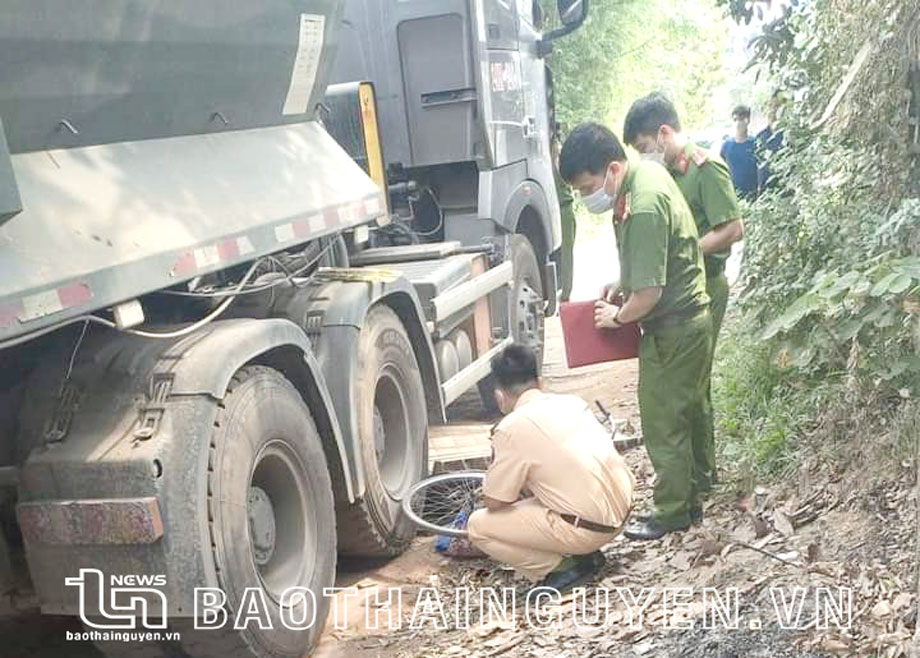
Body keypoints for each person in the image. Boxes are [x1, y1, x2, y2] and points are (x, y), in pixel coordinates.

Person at [559, 123, 712, 540]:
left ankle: (672, 511)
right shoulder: (645, 175)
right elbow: (652, 259)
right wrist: (623, 281)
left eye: (588, 186)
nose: (587, 196)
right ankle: (697, 489)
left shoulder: (641, 203)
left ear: (611, 168)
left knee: (664, 420)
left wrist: (618, 316)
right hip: (688, 320)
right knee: (688, 410)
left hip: (673, 328)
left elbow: (648, 294)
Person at [623, 92, 744, 489]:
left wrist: (687, 247)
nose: (644, 156)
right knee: (686, 386)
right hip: (680, 287)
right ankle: (693, 476)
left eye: (644, 147)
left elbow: (732, 228)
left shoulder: (706, 169)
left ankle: (703, 477)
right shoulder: (664, 177)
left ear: (663, 132)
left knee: (695, 385)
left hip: (706, 284)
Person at [467, 343, 635, 591]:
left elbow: (495, 502)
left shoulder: (511, 428)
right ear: (540, 382)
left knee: (478, 526)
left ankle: (564, 568)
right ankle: (583, 552)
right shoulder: (572, 403)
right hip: (623, 511)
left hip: (591, 529)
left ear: (499, 396)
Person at [552, 129, 578, 301]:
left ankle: (565, 297)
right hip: (556, 208)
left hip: (563, 207)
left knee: (565, 256)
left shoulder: (558, 153)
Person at [719, 105, 758, 200]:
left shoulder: (755, 144)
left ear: (747, 120)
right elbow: (721, 170)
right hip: (732, 195)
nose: (738, 123)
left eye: (741, 119)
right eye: (735, 119)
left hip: (753, 195)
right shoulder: (726, 146)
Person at [756, 92, 785, 193]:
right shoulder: (760, 137)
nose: (772, 110)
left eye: (777, 106)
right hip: (766, 194)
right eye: (770, 106)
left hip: (786, 191)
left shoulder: (790, 135)